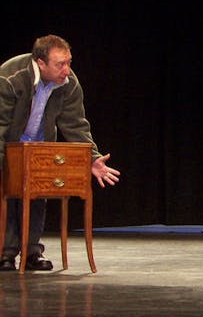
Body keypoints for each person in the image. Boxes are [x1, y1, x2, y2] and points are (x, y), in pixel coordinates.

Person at [0, 34, 120, 271]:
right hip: (10, 145)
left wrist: (92, 158)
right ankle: (6, 253)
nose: (66, 70)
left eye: (68, 62)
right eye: (60, 64)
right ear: (40, 63)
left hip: (40, 146)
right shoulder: (10, 76)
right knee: (9, 196)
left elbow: (75, 124)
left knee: (38, 197)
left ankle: (32, 251)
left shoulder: (68, 82)